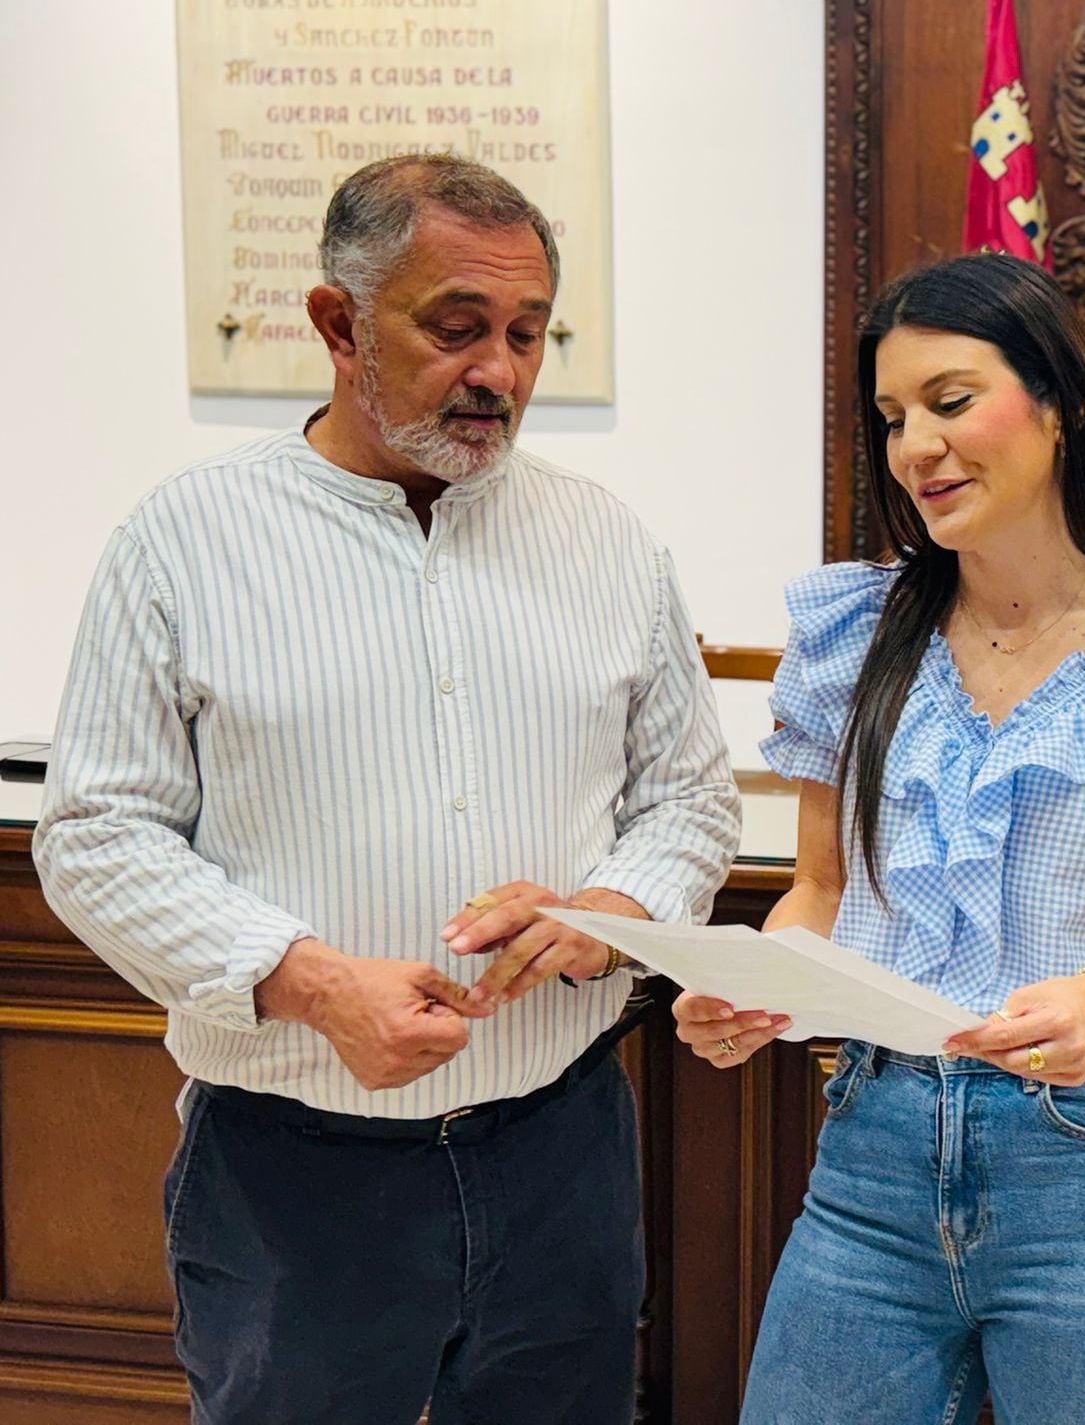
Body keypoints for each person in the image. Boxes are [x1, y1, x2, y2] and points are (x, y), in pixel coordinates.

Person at [34, 154, 740, 1425]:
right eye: (456, 329)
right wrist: (308, 981)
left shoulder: (607, 543)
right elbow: (95, 836)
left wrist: (611, 908)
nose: (501, 374)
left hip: (561, 1153)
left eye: (528, 335)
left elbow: (688, 798)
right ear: (337, 324)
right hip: (293, 1177)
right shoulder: (181, 545)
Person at [673, 252, 1085, 1423]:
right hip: (871, 1156)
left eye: (951, 400)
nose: (917, 445)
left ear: (1057, 406)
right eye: (891, 417)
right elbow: (816, 889)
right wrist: (760, 988)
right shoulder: (856, 630)